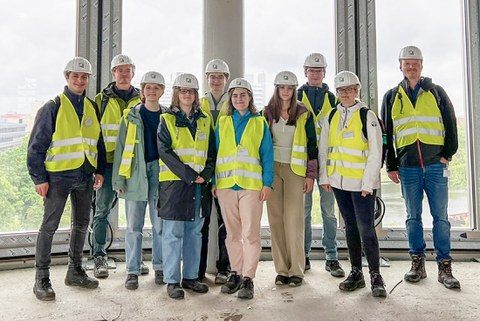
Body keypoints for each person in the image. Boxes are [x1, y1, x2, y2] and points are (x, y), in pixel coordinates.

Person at [381, 45, 460, 289]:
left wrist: (448, 153)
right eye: (407, 63)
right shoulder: (392, 96)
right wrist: (391, 164)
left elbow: (450, 123)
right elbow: (387, 134)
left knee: (441, 218)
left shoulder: (436, 92)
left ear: (422, 65)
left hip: (436, 165)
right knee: (412, 217)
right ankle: (417, 264)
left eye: (415, 63)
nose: (411, 67)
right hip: (407, 167)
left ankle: (444, 267)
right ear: (400, 66)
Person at [27, 57, 106, 301]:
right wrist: (39, 178)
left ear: (88, 79)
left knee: (81, 224)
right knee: (49, 227)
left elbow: (98, 142)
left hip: (85, 175)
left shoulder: (92, 106)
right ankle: (42, 278)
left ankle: (75, 271)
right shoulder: (53, 107)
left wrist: (100, 169)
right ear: (67, 77)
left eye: (84, 77)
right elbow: (35, 148)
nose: (80, 80)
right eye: (75, 76)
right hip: (58, 177)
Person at [319, 70, 387, 297]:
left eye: (349, 89)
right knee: (349, 227)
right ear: (336, 93)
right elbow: (324, 149)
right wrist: (326, 177)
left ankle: (376, 275)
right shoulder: (331, 116)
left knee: (366, 228)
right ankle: (356, 272)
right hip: (338, 182)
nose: (345, 94)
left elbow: (376, 152)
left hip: (361, 185)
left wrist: (369, 183)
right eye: (341, 90)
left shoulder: (367, 115)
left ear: (357, 90)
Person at [212, 78, 274, 300]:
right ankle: (235, 273)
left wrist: (267, 183)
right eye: (235, 95)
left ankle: (248, 277)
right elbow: (216, 153)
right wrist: (214, 182)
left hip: (251, 187)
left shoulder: (259, 123)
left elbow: (267, 155)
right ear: (231, 99)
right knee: (232, 234)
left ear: (250, 98)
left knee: (250, 233)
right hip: (226, 185)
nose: (239, 99)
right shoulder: (223, 122)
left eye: (243, 95)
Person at [157, 73, 216, 300]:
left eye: (191, 91)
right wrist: (190, 175)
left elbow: (212, 151)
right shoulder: (167, 119)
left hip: (199, 185)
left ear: (196, 95)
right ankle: (172, 281)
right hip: (174, 185)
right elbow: (165, 151)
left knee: (195, 233)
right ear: (176, 94)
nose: (187, 95)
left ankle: (190, 277)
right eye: (183, 91)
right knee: (172, 234)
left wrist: (207, 174)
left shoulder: (204, 119)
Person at [92, 54, 145, 279]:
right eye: (119, 70)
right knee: (102, 211)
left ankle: (134, 261)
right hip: (107, 163)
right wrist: (96, 167)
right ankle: (99, 256)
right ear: (112, 73)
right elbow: (93, 134)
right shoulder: (100, 100)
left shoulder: (142, 99)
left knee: (133, 216)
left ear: (133, 72)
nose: (123, 74)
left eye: (127, 70)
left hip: (133, 165)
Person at [112, 71, 166, 290]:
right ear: (142, 91)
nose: (152, 91)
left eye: (156, 87)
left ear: (162, 91)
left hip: (160, 175)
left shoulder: (168, 116)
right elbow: (121, 148)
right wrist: (119, 180)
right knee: (134, 227)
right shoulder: (131, 116)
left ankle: (160, 268)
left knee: (160, 226)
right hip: (135, 174)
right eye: (148, 87)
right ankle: (132, 271)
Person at [263, 71, 317, 287]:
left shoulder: (304, 113)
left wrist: (310, 175)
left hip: (295, 170)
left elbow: (312, 146)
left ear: (294, 90)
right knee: (275, 220)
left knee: (293, 220)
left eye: (289, 88)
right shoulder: (267, 112)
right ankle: (282, 270)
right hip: (273, 170)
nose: (285, 92)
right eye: (282, 88)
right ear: (276, 89)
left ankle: (296, 270)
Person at [298, 53, 344, 276]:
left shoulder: (333, 100)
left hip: (326, 164)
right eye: (311, 70)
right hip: (304, 163)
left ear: (324, 73)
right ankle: (303, 255)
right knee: (304, 211)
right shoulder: (295, 97)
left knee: (328, 211)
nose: (315, 74)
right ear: (305, 72)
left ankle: (331, 257)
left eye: (319, 71)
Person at [198, 59, 231, 284]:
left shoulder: (235, 101)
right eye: (212, 76)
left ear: (226, 79)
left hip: (227, 170)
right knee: (201, 221)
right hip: (203, 169)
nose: (216, 80)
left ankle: (224, 268)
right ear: (207, 79)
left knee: (225, 222)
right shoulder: (199, 103)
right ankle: (198, 271)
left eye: (220, 76)